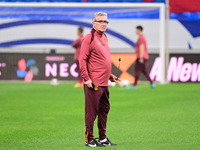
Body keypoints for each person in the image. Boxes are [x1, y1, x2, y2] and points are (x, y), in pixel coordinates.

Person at [79, 12, 119, 147]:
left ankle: (102, 138)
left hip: (104, 82)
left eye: (106, 22)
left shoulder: (105, 37)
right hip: (94, 83)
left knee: (104, 110)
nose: (104, 24)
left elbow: (102, 59)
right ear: (93, 23)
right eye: (101, 21)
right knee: (91, 112)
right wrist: (86, 78)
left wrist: (110, 75)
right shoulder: (89, 38)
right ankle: (89, 139)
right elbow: (82, 59)